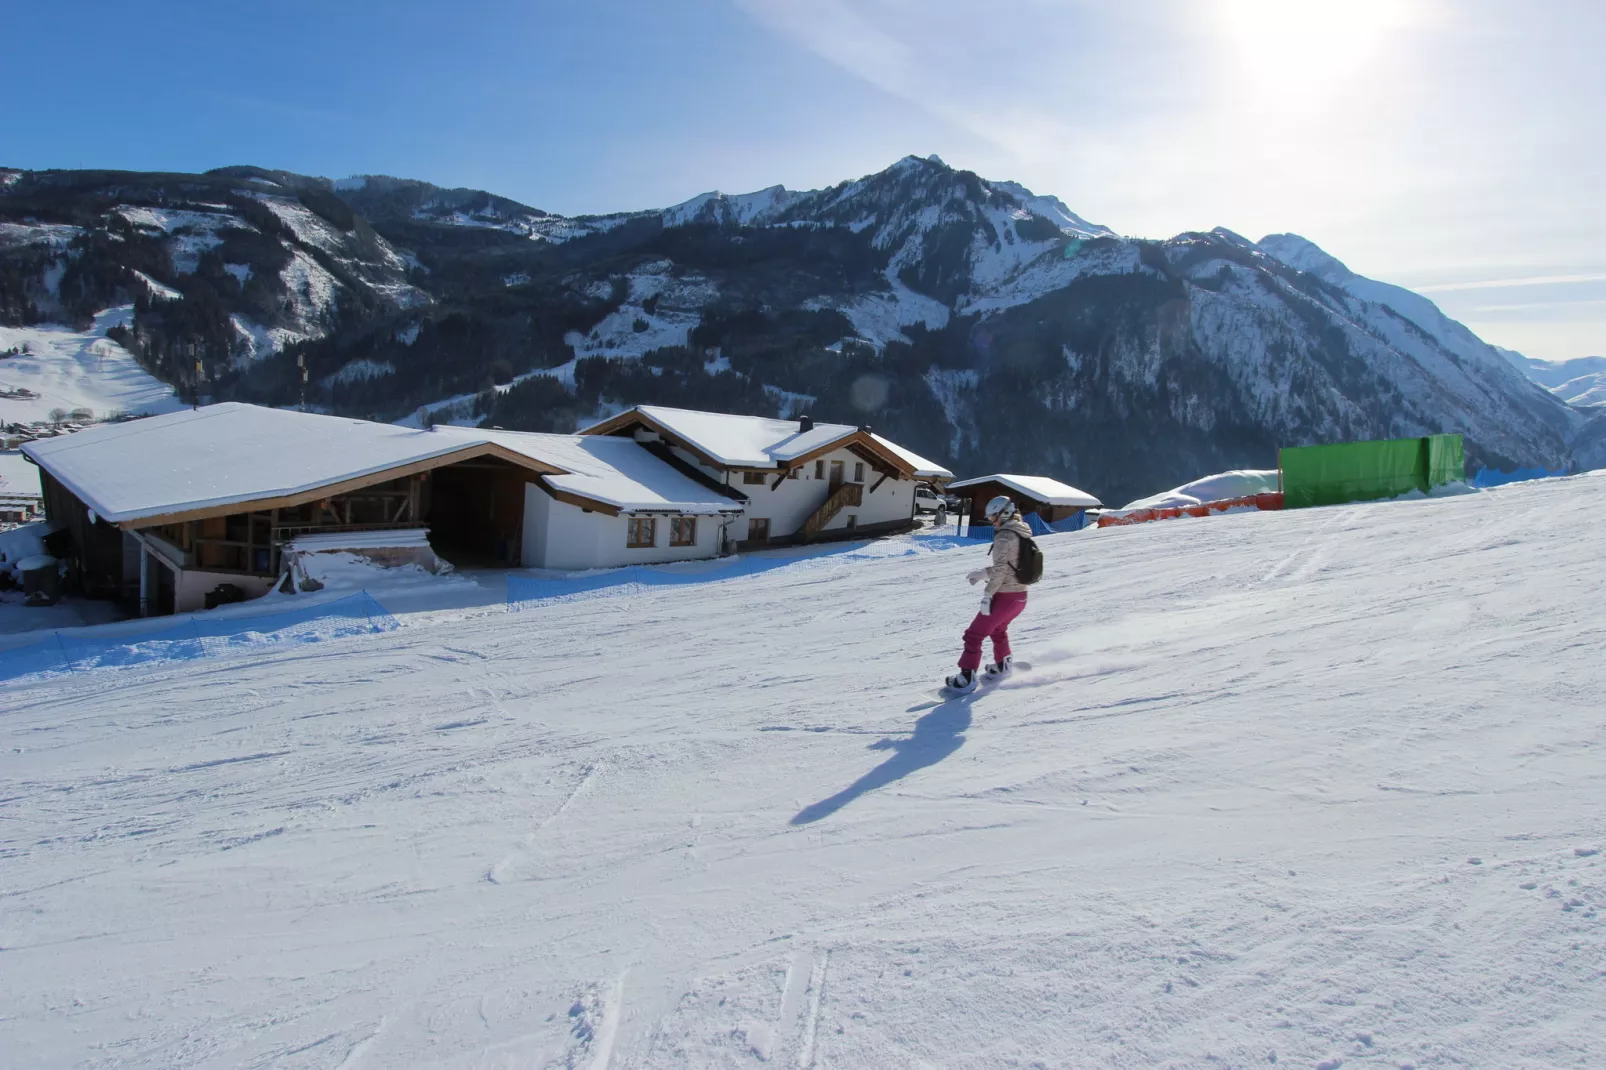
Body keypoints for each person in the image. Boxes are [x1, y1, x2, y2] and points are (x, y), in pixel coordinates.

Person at [945, 495, 1032, 692]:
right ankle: (1003, 665)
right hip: (1020, 595)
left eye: (993, 517)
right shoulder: (1022, 532)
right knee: (998, 629)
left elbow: (1001, 569)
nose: (992, 521)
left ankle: (966, 678)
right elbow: (1011, 566)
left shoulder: (1004, 536)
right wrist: (984, 573)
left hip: (1005, 596)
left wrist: (988, 594)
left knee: (973, 635)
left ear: (1005, 513)